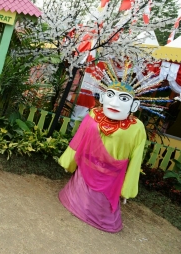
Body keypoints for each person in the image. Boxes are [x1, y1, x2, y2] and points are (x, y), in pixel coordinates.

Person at [58, 64, 147, 233]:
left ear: (134, 106)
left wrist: (128, 189)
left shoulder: (137, 127)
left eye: (124, 99)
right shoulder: (94, 115)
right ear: (103, 97)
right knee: (78, 196)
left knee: (101, 207)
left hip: (111, 177)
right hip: (85, 169)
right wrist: (68, 160)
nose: (114, 102)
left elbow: (136, 160)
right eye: (111, 95)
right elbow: (79, 139)